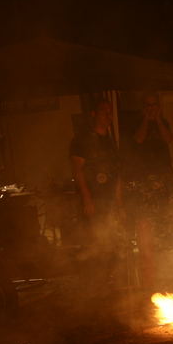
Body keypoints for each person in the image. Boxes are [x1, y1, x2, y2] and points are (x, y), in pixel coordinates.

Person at [123, 93, 173, 290]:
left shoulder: (163, 122)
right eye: (148, 105)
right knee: (146, 229)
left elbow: (169, 139)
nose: (151, 108)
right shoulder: (137, 123)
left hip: (164, 182)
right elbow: (138, 139)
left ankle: (165, 278)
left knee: (164, 229)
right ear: (143, 106)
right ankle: (148, 281)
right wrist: (146, 119)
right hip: (145, 183)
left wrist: (159, 119)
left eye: (154, 105)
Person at [69, 98, 121, 288]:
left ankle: (108, 282)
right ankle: (94, 285)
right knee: (94, 242)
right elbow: (78, 171)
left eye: (110, 112)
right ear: (94, 114)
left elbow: (116, 174)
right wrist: (87, 200)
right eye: (104, 111)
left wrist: (118, 203)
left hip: (108, 202)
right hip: (93, 200)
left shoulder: (110, 140)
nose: (108, 115)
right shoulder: (82, 140)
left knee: (110, 242)